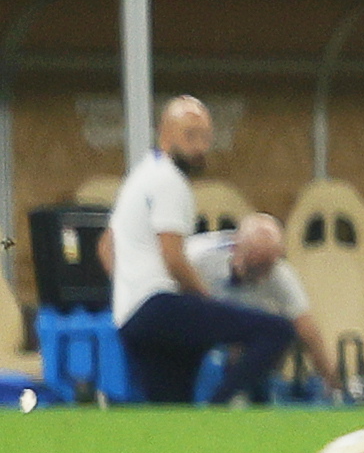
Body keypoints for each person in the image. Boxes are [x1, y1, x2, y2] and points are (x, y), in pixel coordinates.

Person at [105, 97, 303, 402]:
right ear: (165, 135)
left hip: (130, 317)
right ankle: (219, 406)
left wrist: (128, 283)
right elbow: (173, 259)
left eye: (204, 137)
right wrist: (207, 302)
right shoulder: (170, 182)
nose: (199, 146)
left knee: (172, 410)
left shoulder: (140, 178)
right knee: (275, 332)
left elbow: (106, 246)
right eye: (190, 136)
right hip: (158, 306)